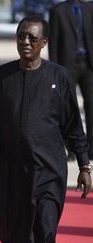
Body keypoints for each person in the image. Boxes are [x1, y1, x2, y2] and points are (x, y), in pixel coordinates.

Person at [0, 16, 92, 243]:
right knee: (13, 235)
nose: (25, 42)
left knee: (44, 232)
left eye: (32, 37)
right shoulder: (1, 76)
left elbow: (73, 127)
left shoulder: (59, 77)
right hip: (10, 173)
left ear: (44, 42)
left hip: (48, 171)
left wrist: (84, 166)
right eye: (21, 36)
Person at [49, 0, 93, 161]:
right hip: (67, 66)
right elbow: (53, 43)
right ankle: (72, 149)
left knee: (91, 105)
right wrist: (53, 68)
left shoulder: (89, 8)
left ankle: (91, 147)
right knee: (68, 108)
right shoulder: (58, 11)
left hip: (88, 64)